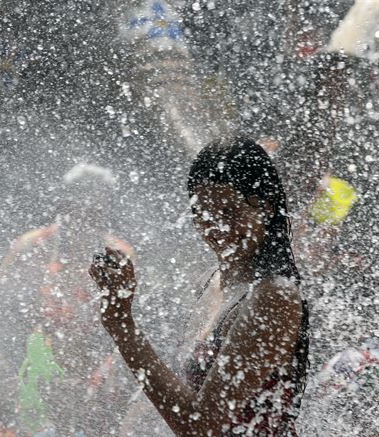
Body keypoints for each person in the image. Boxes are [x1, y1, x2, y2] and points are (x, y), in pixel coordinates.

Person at [89, 137, 309, 436]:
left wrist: (122, 326)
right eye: (203, 215)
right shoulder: (213, 280)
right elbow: (181, 389)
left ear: (266, 207)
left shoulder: (274, 297)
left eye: (229, 212)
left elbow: (201, 427)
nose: (215, 227)